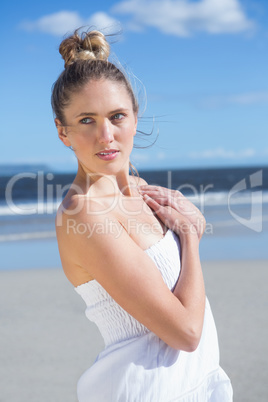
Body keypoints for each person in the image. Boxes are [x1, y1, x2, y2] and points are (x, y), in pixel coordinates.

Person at [52, 29, 233, 402]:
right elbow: (185, 332)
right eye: (86, 120)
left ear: (135, 117)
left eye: (117, 116)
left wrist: (186, 232)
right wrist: (191, 238)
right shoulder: (83, 214)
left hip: (190, 386)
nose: (106, 135)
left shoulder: (139, 188)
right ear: (62, 131)